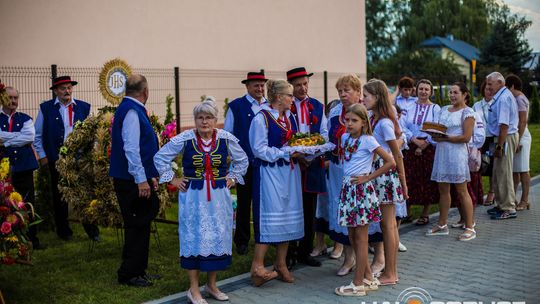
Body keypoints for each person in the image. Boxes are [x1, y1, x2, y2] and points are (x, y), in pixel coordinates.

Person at [154, 98, 248, 303]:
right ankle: (193, 289)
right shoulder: (186, 139)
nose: (204, 122)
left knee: (217, 235)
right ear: (195, 120)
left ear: (215, 120)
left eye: (209, 118)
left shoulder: (225, 138)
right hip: (193, 198)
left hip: (218, 197)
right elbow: (160, 157)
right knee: (194, 237)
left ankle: (211, 285)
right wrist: (173, 179)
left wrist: (232, 177)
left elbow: (242, 159)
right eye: (200, 117)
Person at [334, 103, 395, 297]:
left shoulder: (368, 140)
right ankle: (368, 278)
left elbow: (390, 162)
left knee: (361, 240)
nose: (350, 124)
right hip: (348, 190)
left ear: (363, 122)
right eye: (347, 120)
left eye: (354, 120)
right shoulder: (344, 138)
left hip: (361, 191)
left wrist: (368, 177)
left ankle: (358, 283)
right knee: (352, 238)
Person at [249, 79, 303, 286]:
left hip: (289, 173)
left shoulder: (290, 117)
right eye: (289, 95)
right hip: (269, 173)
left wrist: (303, 151)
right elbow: (258, 148)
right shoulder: (261, 118)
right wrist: (284, 152)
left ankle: (281, 264)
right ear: (279, 97)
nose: (293, 98)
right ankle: (258, 266)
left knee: (287, 217)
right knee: (269, 217)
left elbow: (296, 141)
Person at [109, 74, 160, 287]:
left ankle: (139, 269)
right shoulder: (131, 111)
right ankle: (129, 273)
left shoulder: (132, 108)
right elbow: (131, 148)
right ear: (145, 91)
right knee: (137, 225)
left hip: (137, 177)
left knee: (143, 222)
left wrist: (150, 177)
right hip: (130, 179)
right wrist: (141, 180)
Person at [34, 76, 99, 241]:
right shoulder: (46, 108)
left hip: (80, 159)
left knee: (84, 194)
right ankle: (64, 232)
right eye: (63, 88)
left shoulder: (84, 107)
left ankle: (93, 231)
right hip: (56, 159)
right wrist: (43, 157)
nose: (67, 91)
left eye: (69, 87)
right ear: (55, 91)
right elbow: (37, 136)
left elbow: (93, 134)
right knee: (60, 196)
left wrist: (90, 155)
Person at [363, 79, 407, 286]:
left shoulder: (385, 123)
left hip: (384, 176)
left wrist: (404, 184)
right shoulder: (374, 119)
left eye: (366, 96)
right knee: (384, 224)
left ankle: (391, 272)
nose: (363, 99)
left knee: (389, 225)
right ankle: (389, 270)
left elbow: (396, 155)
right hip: (377, 175)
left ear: (378, 97)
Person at [286, 67, 327, 268]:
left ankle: (305, 251)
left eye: (305, 84)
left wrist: (313, 153)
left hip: (312, 163)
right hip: (291, 163)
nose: (302, 88)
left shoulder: (318, 106)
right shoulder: (284, 106)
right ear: (290, 87)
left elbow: (325, 135)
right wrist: (298, 154)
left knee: (310, 209)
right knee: (292, 208)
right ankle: (289, 252)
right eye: (297, 85)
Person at [224, 71, 268, 256]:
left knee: (265, 201)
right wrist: (235, 158)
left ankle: (264, 236)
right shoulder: (236, 106)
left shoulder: (269, 105)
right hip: (244, 163)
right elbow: (228, 134)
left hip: (265, 163)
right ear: (247, 86)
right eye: (255, 85)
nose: (259, 88)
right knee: (244, 202)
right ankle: (242, 241)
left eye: (261, 85)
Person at [428, 83, 476, 241]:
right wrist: (434, 135)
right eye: (450, 92)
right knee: (443, 190)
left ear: (464, 94)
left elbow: (466, 137)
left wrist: (447, 138)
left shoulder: (468, 112)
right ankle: (442, 224)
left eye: (456, 92)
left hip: (457, 154)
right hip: (442, 153)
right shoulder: (443, 110)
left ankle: (470, 227)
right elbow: (439, 129)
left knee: (462, 191)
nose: (452, 95)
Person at [326, 74, 363, 276]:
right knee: (342, 211)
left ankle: (368, 258)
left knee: (359, 213)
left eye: (347, 90)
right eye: (340, 91)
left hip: (358, 171)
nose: (342, 94)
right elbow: (326, 136)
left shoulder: (365, 112)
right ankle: (349, 258)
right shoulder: (334, 112)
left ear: (358, 92)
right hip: (337, 168)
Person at [0, 86, 42, 249]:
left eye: (16, 98)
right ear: (3, 98)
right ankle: (9, 239)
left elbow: (29, 137)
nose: (13, 101)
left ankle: (32, 238)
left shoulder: (25, 119)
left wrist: (6, 140)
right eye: (9, 98)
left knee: (27, 202)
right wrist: (19, 137)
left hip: (24, 167)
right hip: (3, 169)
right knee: (5, 204)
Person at [400, 79, 441, 226]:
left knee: (427, 178)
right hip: (410, 145)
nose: (423, 92)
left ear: (431, 92)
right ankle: (407, 211)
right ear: (416, 90)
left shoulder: (436, 108)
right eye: (421, 89)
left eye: (426, 89)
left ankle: (425, 213)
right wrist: (414, 140)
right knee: (408, 177)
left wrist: (424, 143)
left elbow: (437, 127)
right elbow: (401, 125)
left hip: (428, 147)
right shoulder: (408, 107)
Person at [485, 72, 519, 220]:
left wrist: (499, 146)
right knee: (498, 172)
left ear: (500, 83)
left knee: (504, 173)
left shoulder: (504, 98)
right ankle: (500, 204)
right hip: (500, 137)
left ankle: (509, 208)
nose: (488, 87)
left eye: (490, 84)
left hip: (504, 137)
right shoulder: (500, 96)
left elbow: (504, 125)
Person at [311, 98, 341, 258]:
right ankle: (320, 243)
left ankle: (338, 244)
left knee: (336, 207)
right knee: (320, 208)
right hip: (323, 172)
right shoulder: (326, 128)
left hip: (335, 170)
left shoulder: (342, 128)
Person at [506, 74, 531, 211]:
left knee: (523, 170)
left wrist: (518, 140)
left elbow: (522, 122)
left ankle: (525, 200)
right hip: (516, 135)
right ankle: (512, 199)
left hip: (522, 137)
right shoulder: (516, 98)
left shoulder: (520, 99)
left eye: (507, 88)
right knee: (515, 171)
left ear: (512, 86)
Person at [472, 81, 495, 205]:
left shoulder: (497, 104)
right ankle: (478, 192)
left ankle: (492, 192)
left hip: (492, 139)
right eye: (487, 89)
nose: (489, 91)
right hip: (480, 140)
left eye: (492, 89)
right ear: (483, 90)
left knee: (491, 165)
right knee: (478, 165)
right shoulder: (477, 105)